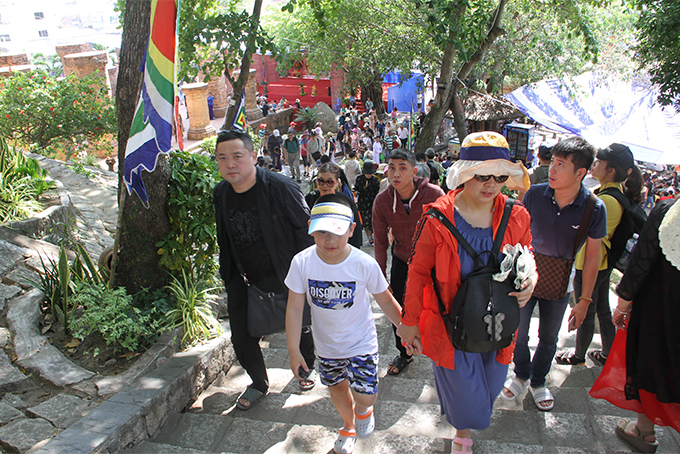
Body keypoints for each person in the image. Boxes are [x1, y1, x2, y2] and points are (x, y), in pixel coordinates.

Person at [397, 131, 535, 453]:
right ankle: (463, 432)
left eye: (500, 177)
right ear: (465, 174)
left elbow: (527, 254)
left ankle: (462, 425)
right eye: (482, 176)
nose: (491, 185)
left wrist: (531, 280)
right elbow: (417, 271)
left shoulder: (517, 215)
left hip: (498, 321)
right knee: (468, 398)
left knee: (489, 387)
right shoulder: (437, 218)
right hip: (451, 323)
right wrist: (410, 320)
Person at [285, 195, 404, 454]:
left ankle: (363, 410)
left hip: (361, 343)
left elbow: (385, 300)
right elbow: (294, 307)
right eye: (322, 232)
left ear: (352, 230)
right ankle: (348, 426)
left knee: (366, 395)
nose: (330, 240)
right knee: (337, 390)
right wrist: (294, 350)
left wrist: (405, 330)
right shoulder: (302, 262)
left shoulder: (363, 263)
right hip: (327, 348)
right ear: (311, 228)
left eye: (337, 232)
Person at [213, 130, 316, 411]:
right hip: (242, 277)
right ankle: (258, 382)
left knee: (301, 325)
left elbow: (305, 232)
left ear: (253, 156)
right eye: (223, 158)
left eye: (237, 156)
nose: (230, 164)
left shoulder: (280, 187)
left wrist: (304, 274)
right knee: (241, 336)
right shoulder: (220, 192)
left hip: (284, 273)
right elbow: (224, 234)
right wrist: (228, 272)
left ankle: (306, 367)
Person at [503, 136, 607, 411]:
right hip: (526, 274)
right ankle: (520, 374)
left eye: (561, 164)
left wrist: (584, 301)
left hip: (560, 281)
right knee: (518, 331)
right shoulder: (535, 194)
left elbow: (594, 256)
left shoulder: (594, 207)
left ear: (580, 173)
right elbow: (516, 232)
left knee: (549, 337)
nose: (552, 169)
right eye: (552, 162)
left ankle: (538, 381)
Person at [589, 198, 680, 454]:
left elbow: (642, 259)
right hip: (660, 308)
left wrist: (623, 304)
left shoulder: (668, 210)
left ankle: (645, 432)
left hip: (660, 308)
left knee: (649, 362)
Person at [555, 143, 642, 367]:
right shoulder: (612, 194)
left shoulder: (607, 201)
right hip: (602, 263)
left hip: (590, 263)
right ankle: (607, 352)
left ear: (610, 170)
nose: (594, 166)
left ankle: (578, 355)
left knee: (586, 307)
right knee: (602, 308)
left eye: (599, 163)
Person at [372, 148, 444, 376]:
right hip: (403, 258)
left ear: (414, 171)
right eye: (391, 168)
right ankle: (404, 352)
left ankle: (441, 347)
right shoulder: (382, 201)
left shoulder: (434, 195)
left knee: (441, 305)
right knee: (399, 308)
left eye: (402, 168)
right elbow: (380, 241)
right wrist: (381, 277)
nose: (396, 174)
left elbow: (449, 232)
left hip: (434, 260)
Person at [306, 162, 362, 248]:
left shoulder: (345, 201)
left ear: (337, 182)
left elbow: (356, 230)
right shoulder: (309, 199)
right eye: (321, 181)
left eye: (329, 182)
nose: (325, 185)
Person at [354, 161, 381, 245]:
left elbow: (378, 192)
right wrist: (355, 192)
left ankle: (373, 235)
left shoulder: (375, 180)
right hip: (362, 202)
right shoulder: (359, 178)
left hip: (373, 202)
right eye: (367, 173)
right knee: (365, 221)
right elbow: (356, 188)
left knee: (373, 220)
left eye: (370, 173)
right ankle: (370, 237)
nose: (369, 175)